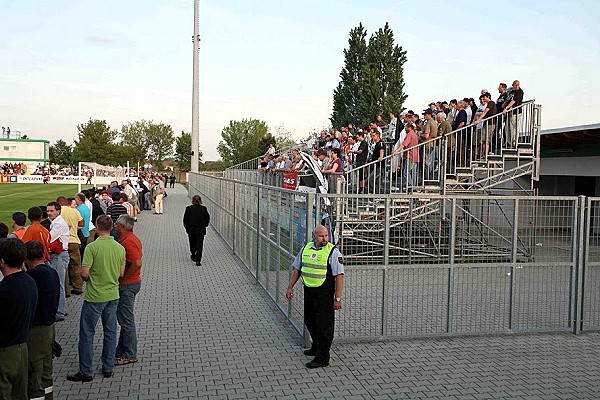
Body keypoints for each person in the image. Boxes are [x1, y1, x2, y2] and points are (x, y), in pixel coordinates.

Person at [67, 215, 125, 382]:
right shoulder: (119, 248)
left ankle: (86, 371)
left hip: (94, 296)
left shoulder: (92, 247)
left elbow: (84, 273)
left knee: (87, 333)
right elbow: (121, 273)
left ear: (98, 228)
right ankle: (108, 367)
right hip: (113, 294)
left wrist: (88, 278)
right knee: (110, 332)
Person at [286, 225, 344, 368]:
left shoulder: (333, 252)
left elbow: (340, 276)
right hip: (310, 291)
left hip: (324, 294)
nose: (324, 238)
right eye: (321, 236)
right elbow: (297, 269)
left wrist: (337, 299)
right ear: (314, 235)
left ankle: (322, 358)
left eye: (326, 236)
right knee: (310, 321)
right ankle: (316, 347)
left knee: (324, 326)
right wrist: (290, 286)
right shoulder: (305, 248)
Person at [0, 238, 38, 400]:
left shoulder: (4, 289)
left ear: (2, 262)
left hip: (5, 351)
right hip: (22, 347)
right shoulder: (30, 282)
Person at [24, 240, 60, 400]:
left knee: (34, 372)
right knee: (46, 371)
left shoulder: (32, 276)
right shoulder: (51, 271)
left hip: (37, 329)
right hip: (49, 326)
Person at [114, 215, 143, 366]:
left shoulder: (128, 242)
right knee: (125, 319)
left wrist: (124, 278)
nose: (115, 226)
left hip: (128, 285)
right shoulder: (131, 239)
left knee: (126, 320)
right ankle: (121, 350)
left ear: (123, 227)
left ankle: (130, 353)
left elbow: (137, 263)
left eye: (117, 224)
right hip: (132, 283)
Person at [47, 201, 70, 322]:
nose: (49, 213)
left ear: (58, 211)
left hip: (59, 255)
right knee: (59, 281)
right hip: (59, 254)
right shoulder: (57, 222)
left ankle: (60, 311)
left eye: (51, 211)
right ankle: (62, 309)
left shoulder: (58, 224)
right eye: (48, 211)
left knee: (59, 283)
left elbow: (48, 238)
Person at [57, 196, 84, 297]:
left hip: (62, 242)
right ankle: (78, 287)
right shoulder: (74, 211)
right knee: (76, 265)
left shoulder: (58, 212)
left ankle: (66, 290)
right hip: (74, 241)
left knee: (64, 267)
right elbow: (82, 223)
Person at [183, 195, 210, 266]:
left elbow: (185, 220)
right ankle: (198, 260)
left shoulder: (188, 209)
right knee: (199, 245)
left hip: (191, 230)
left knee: (192, 243)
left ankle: (193, 254)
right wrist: (205, 225)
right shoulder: (203, 209)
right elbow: (207, 218)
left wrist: (187, 228)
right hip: (200, 230)